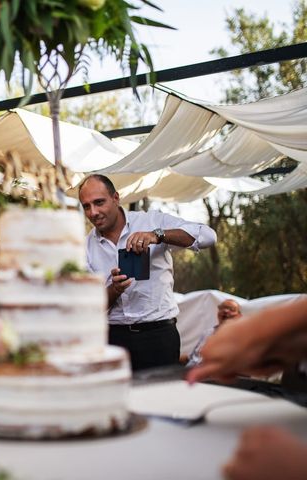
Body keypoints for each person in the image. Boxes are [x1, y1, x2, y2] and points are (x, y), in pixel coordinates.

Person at [78, 174, 217, 371]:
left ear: (116, 198)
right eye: (86, 206)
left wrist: (158, 235)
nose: (93, 212)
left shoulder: (152, 220)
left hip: (158, 336)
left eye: (99, 202)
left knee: (161, 398)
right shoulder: (84, 248)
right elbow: (91, 305)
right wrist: (114, 289)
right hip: (112, 339)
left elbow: (208, 237)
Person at [188, 297, 307, 480]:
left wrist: (297, 468)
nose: (226, 313)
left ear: (240, 315)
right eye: (223, 308)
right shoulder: (208, 333)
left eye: (231, 310)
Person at [186, 298, 242, 366]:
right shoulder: (207, 333)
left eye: (231, 309)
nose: (225, 311)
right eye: (222, 307)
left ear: (239, 316)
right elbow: (192, 357)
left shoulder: (240, 338)